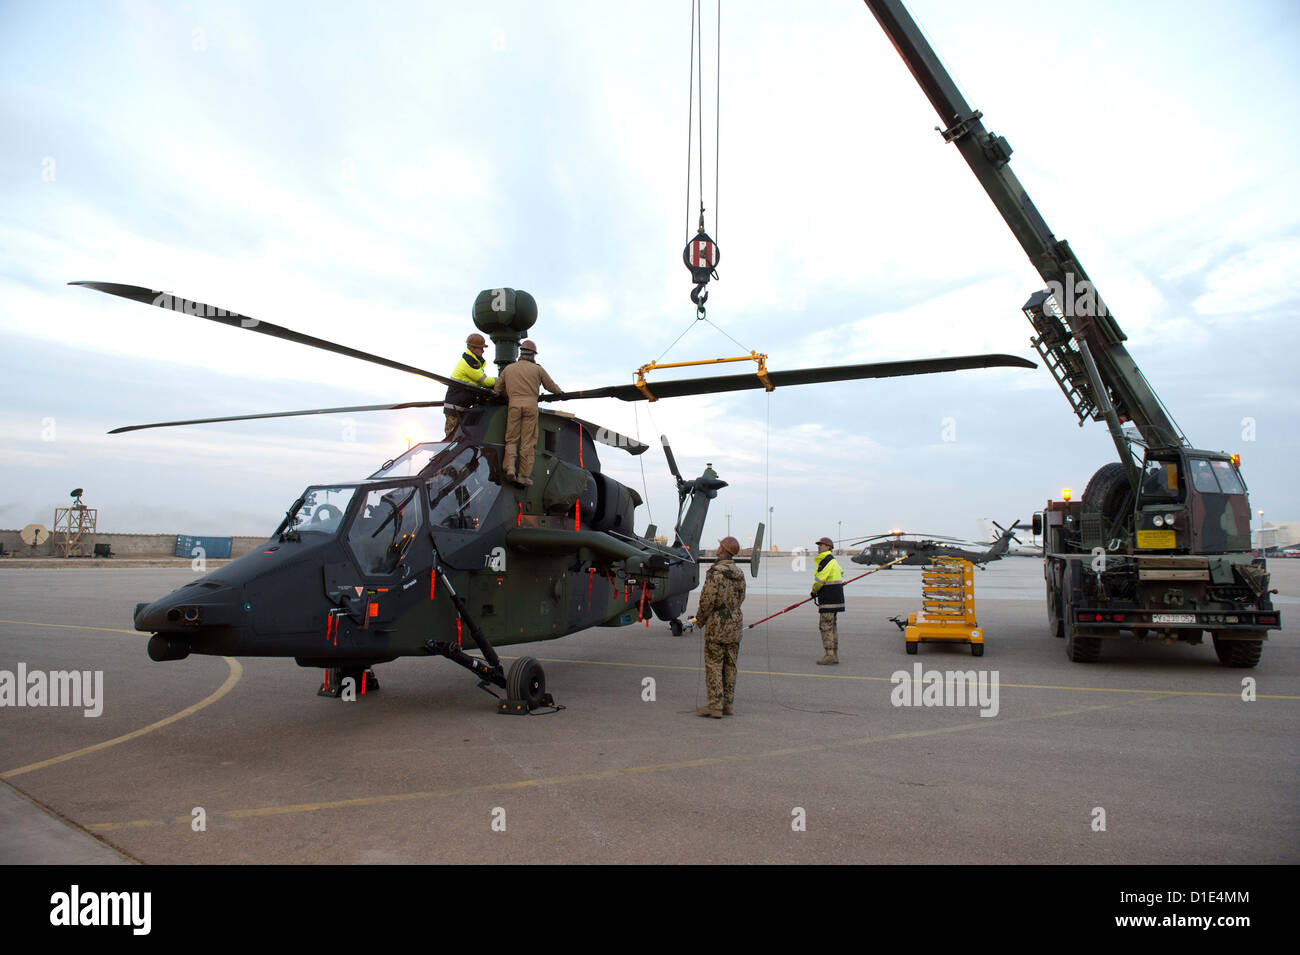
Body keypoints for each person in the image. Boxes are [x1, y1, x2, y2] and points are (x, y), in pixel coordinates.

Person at [492, 339, 561, 486]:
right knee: (528, 442)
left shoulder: (509, 369)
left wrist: (509, 393)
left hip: (514, 405)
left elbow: (497, 389)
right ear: (533, 355)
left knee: (511, 439)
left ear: (521, 353)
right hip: (531, 406)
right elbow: (551, 386)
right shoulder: (538, 369)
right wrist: (560, 392)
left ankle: (509, 467)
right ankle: (523, 475)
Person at [693, 536, 747, 717]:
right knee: (730, 665)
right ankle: (728, 704)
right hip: (735, 623)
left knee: (714, 664)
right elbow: (741, 598)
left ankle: (715, 705)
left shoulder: (715, 573)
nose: (717, 549)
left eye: (719, 547)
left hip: (717, 625)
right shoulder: (739, 574)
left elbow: (707, 601)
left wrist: (699, 620)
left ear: (722, 551)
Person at [443, 333, 496, 440]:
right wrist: (500, 379)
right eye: (481, 348)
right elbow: (485, 381)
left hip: (461, 409)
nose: (483, 351)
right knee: (450, 441)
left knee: (460, 440)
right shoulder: (468, 363)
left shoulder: (472, 361)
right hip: (455, 410)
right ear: (472, 348)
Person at [811, 536, 845, 664]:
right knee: (832, 626)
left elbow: (820, 580)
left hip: (828, 599)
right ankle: (834, 654)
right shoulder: (833, 561)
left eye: (821, 545)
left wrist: (814, 591)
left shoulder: (826, 561)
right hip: (836, 598)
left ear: (828, 547)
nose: (819, 547)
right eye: (819, 545)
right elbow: (841, 572)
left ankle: (829, 654)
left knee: (825, 626)